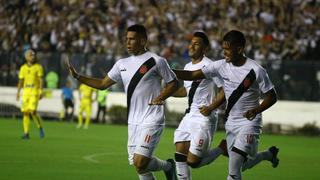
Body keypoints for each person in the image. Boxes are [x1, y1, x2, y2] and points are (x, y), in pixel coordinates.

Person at [67, 24, 179, 180]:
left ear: (142, 40)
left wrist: (161, 97)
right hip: (133, 121)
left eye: (132, 39)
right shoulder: (121, 64)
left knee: (140, 161)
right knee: (139, 166)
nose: (127, 42)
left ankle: (168, 166)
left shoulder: (157, 61)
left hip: (152, 118)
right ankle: (169, 167)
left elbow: (174, 83)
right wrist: (78, 77)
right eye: (126, 39)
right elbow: (102, 84)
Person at [173, 30, 279, 180]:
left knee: (234, 168)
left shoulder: (256, 70)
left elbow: (272, 96)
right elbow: (192, 75)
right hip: (231, 122)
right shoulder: (220, 65)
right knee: (242, 165)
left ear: (240, 49)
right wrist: (166, 70)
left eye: (228, 49)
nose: (224, 53)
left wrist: (256, 110)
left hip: (249, 123)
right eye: (223, 49)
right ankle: (269, 154)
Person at [172, 32, 228, 179]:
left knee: (193, 162)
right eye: (191, 42)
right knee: (179, 156)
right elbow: (186, 90)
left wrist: (211, 107)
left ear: (204, 49)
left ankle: (222, 148)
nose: (191, 45)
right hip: (189, 115)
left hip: (204, 118)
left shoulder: (210, 66)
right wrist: (166, 93)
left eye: (196, 43)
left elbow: (224, 90)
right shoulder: (187, 66)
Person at [16, 49, 45, 139]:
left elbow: (41, 80)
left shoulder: (38, 67)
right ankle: (26, 133)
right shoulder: (23, 68)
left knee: (33, 111)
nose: (33, 57)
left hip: (34, 92)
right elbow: (21, 81)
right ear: (26, 57)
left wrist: (41, 91)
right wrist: (18, 92)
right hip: (26, 93)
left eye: (33, 55)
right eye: (30, 55)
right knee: (25, 113)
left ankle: (40, 127)